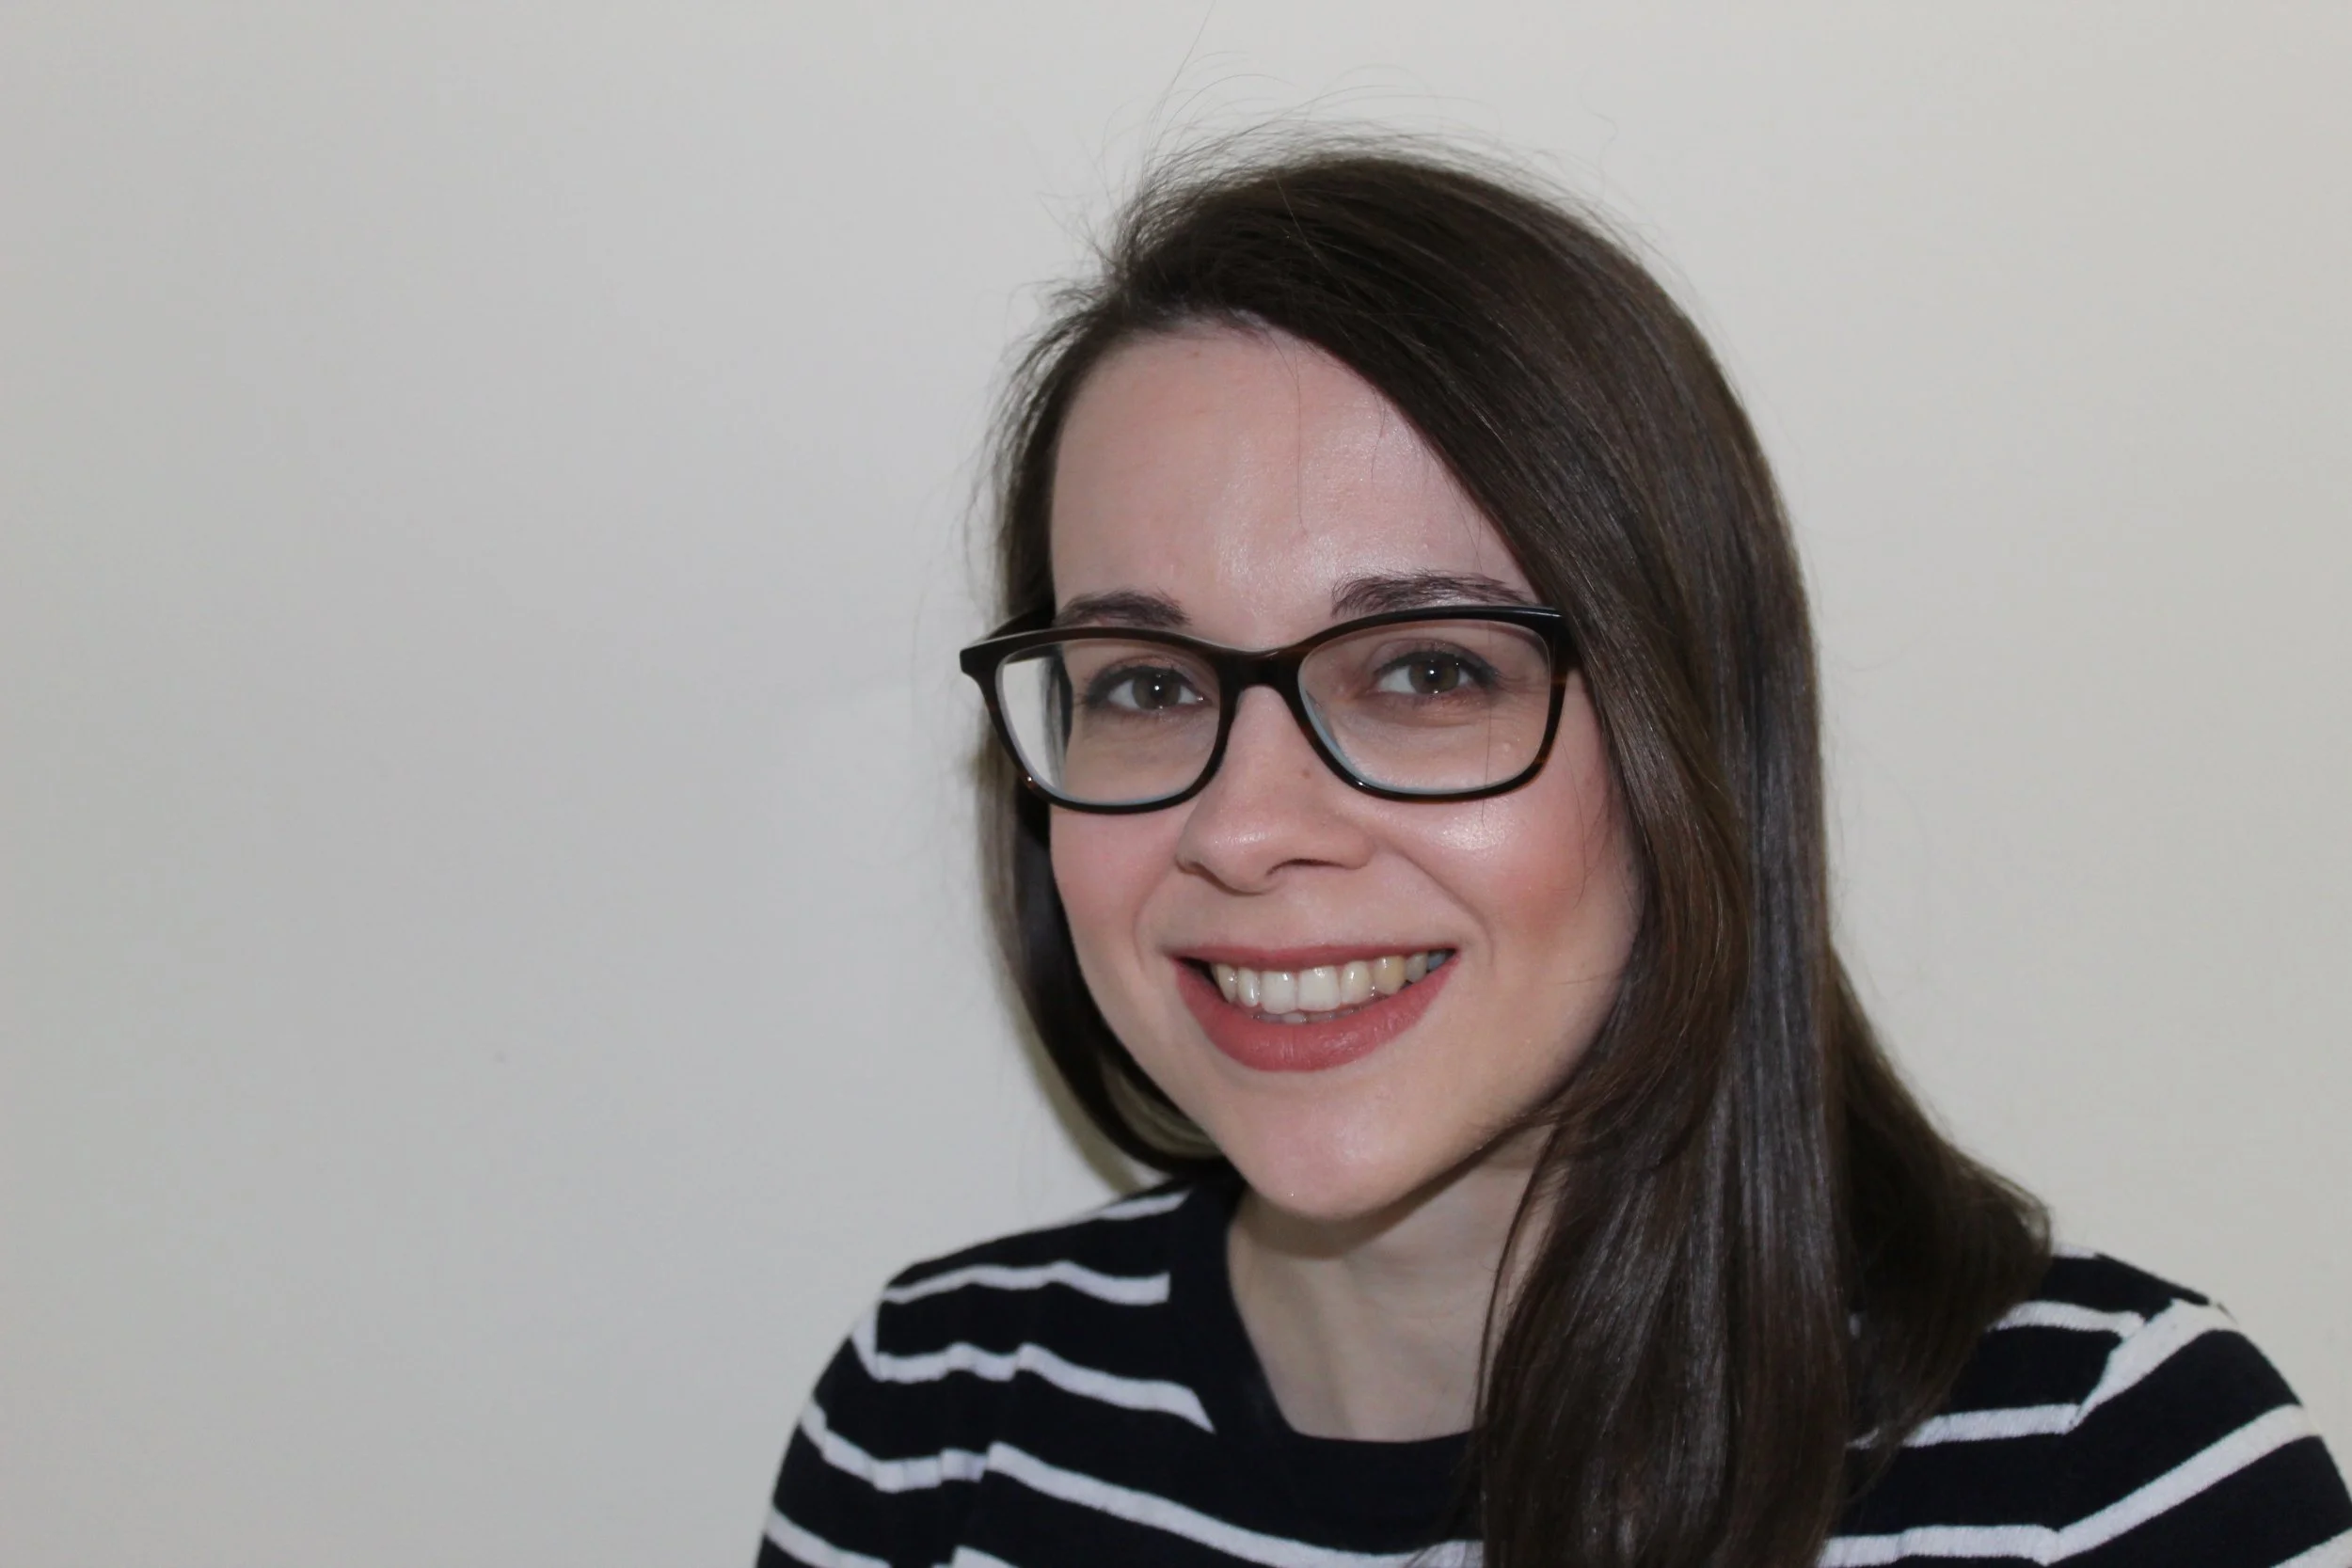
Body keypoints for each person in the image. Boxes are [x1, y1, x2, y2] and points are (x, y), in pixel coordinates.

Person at [756, 143, 2350, 1568]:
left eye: (1429, 670)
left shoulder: (2111, 1476)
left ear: (1692, 738)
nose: (1241, 830)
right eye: (1150, 687)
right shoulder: (933, 1421)